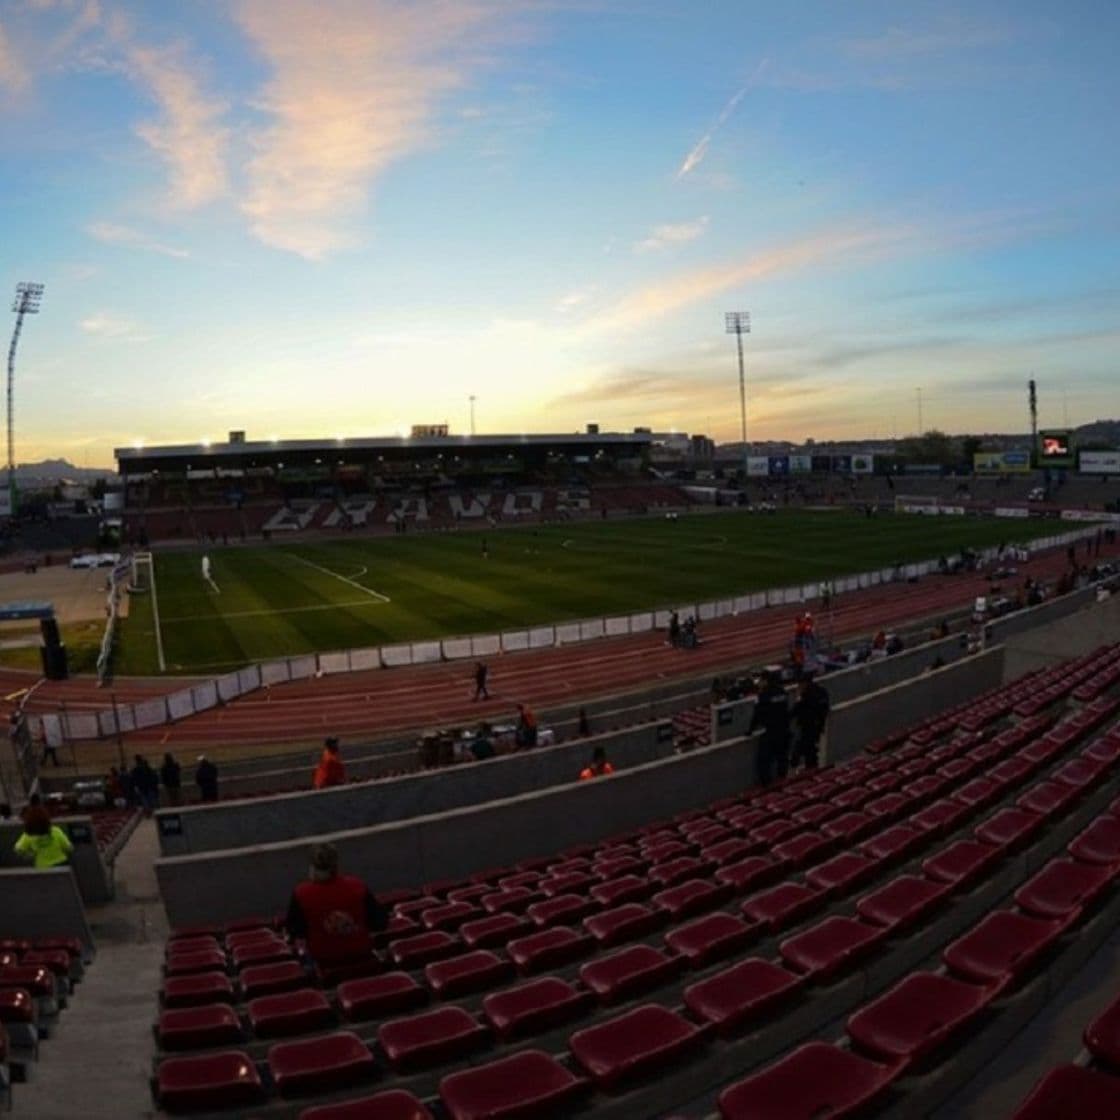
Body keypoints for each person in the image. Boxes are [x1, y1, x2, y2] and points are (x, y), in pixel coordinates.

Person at [285, 842, 388, 968]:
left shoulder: (301, 894)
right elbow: (380, 923)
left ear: (312, 867)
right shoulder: (356, 886)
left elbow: (295, 930)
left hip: (324, 961)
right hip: (361, 955)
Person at [748, 670, 791, 787]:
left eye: (761, 680)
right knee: (782, 759)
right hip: (784, 730)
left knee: (764, 761)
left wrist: (750, 731)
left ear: (766, 681)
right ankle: (783, 781)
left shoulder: (763, 695)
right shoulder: (782, 692)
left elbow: (757, 715)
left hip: (771, 731)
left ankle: (767, 786)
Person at [791, 674, 830, 770]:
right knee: (811, 751)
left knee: (802, 751)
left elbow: (796, 710)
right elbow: (825, 708)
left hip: (807, 727)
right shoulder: (822, 691)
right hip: (818, 726)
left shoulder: (806, 694)